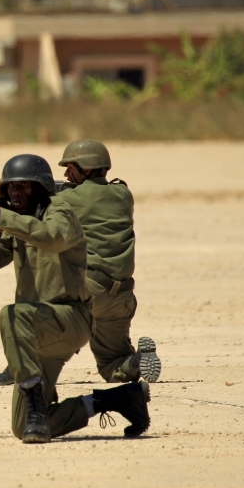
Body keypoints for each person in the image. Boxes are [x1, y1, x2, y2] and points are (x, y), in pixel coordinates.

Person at [0, 154, 151, 443]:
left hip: (70, 318)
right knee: (24, 427)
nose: (16, 194)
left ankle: (33, 396)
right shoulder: (16, 222)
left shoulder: (61, 211)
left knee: (11, 315)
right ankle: (117, 399)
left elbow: (51, 237)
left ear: (41, 187)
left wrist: (2, 216)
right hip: (39, 330)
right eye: (10, 189)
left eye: (24, 187)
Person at [56, 140, 160, 383]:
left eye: (71, 167)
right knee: (113, 365)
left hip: (89, 293)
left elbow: (40, 215)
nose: (66, 174)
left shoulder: (71, 199)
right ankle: (136, 362)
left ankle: (22, 367)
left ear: (87, 168)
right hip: (121, 296)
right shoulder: (123, 194)